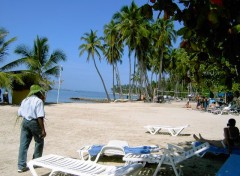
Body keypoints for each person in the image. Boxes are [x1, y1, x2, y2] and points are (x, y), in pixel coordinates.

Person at [17, 85, 46, 173]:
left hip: (25, 122)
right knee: (39, 141)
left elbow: (19, 113)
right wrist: (43, 130)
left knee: (23, 144)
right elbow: (40, 116)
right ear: (38, 92)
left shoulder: (25, 100)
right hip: (34, 122)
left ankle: (21, 166)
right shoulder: (38, 101)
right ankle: (36, 162)